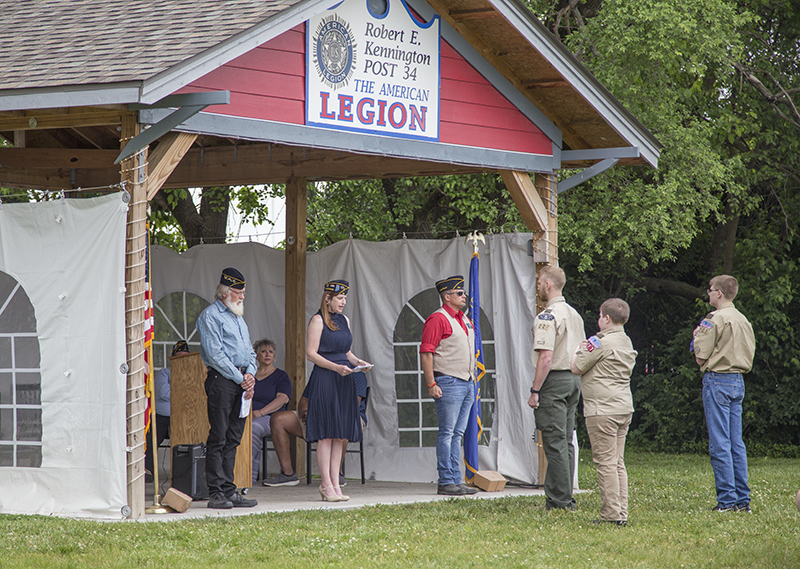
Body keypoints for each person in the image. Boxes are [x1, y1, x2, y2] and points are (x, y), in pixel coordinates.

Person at [570, 298, 637, 526]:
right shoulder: (626, 341)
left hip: (602, 409)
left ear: (606, 318)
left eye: (600, 316)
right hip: (623, 407)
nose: (599, 320)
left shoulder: (599, 342)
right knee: (618, 462)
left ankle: (610, 515)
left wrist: (578, 349)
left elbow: (576, 367)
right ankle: (621, 513)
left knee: (606, 463)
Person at [195, 267, 258, 509]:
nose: (243, 296)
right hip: (223, 382)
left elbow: (250, 352)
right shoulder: (211, 316)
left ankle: (229, 489)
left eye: (243, 292)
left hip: (241, 382)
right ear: (224, 292)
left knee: (233, 438)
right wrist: (241, 378)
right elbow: (215, 355)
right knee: (218, 437)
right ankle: (215, 492)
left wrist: (250, 374)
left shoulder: (238, 318)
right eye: (238, 292)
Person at [692, 275, 755, 513]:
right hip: (738, 381)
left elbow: (700, 356)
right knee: (736, 443)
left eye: (710, 290)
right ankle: (742, 501)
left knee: (720, 442)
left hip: (717, 380)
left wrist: (697, 336)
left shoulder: (714, 319)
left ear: (719, 293)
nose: (707, 293)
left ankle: (727, 500)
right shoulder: (742, 319)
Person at [305, 279, 370, 502]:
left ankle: (335, 483)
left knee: (339, 432)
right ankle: (325, 484)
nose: (343, 302)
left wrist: (358, 362)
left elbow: (347, 351)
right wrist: (336, 367)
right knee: (325, 433)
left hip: (344, 378)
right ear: (328, 298)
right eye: (340, 298)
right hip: (325, 377)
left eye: (345, 298)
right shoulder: (317, 320)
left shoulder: (345, 320)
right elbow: (311, 354)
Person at [527, 265, 585, 510]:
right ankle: (565, 495)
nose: (538, 285)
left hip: (555, 382)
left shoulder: (547, 316)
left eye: (540, 281)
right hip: (573, 380)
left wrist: (535, 390)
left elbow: (546, 358)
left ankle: (560, 501)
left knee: (554, 441)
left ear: (548, 285)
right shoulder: (574, 314)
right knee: (566, 440)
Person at [420, 275, 479, 496]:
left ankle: (455, 479)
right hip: (448, 380)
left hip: (466, 381)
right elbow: (426, 353)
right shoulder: (438, 318)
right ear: (447, 297)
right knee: (447, 432)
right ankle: (446, 480)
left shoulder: (463, 319)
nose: (464, 296)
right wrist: (431, 383)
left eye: (463, 292)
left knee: (457, 433)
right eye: (459, 293)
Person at [264, 371, 368, 487]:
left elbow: (352, 404)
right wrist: (305, 411)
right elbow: (304, 400)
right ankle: (288, 474)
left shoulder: (356, 372)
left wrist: (320, 414)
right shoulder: (320, 370)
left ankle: (336, 473)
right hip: (317, 417)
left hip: (349, 417)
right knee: (278, 419)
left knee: (341, 420)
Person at [144, 340, 189, 482]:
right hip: (162, 417)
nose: (181, 360)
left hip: (184, 418)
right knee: (151, 437)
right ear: (172, 358)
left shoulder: (192, 374)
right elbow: (163, 392)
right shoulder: (164, 373)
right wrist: (185, 393)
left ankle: (184, 474)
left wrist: (177, 392)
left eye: (185, 357)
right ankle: (148, 471)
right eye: (178, 357)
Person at [250, 338, 292, 485]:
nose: (267, 354)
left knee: (253, 429)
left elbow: (283, 399)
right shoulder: (250, 375)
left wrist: (260, 412)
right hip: (248, 416)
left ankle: (249, 477)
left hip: (270, 418)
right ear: (256, 355)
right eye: (263, 351)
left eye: (271, 352)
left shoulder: (281, 376)